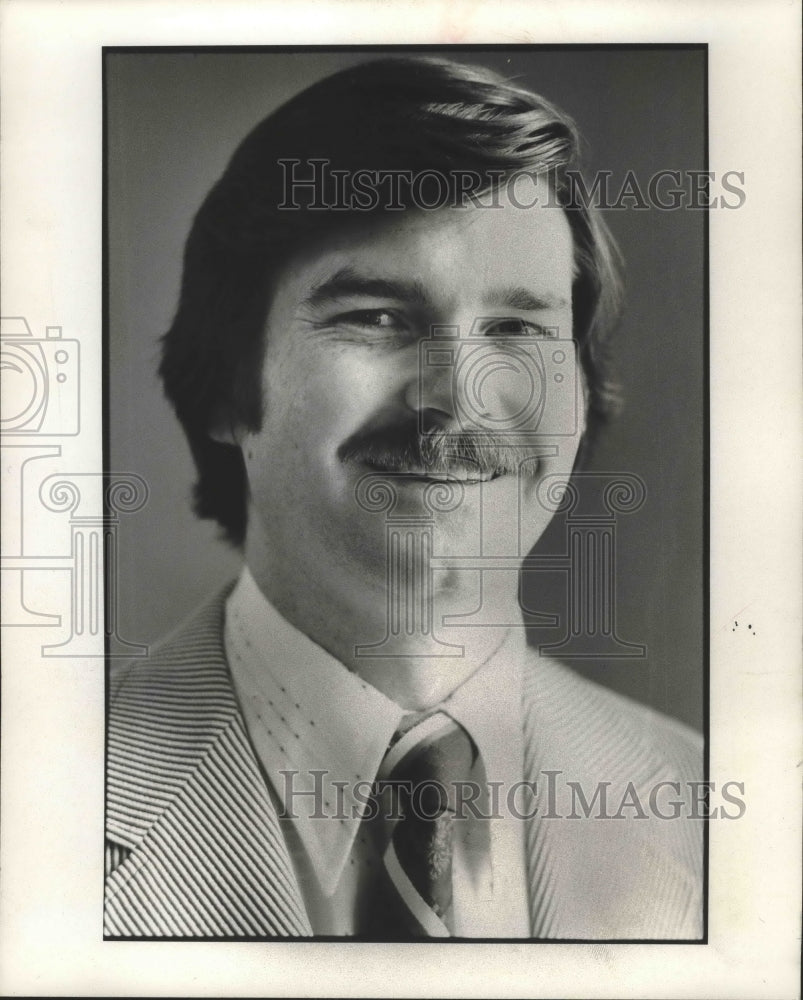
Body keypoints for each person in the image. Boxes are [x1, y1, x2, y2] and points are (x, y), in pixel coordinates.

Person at [104, 56, 703, 939]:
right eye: (377, 316)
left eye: (514, 328)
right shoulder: (33, 796)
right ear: (229, 386)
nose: (454, 397)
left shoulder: (719, 816)